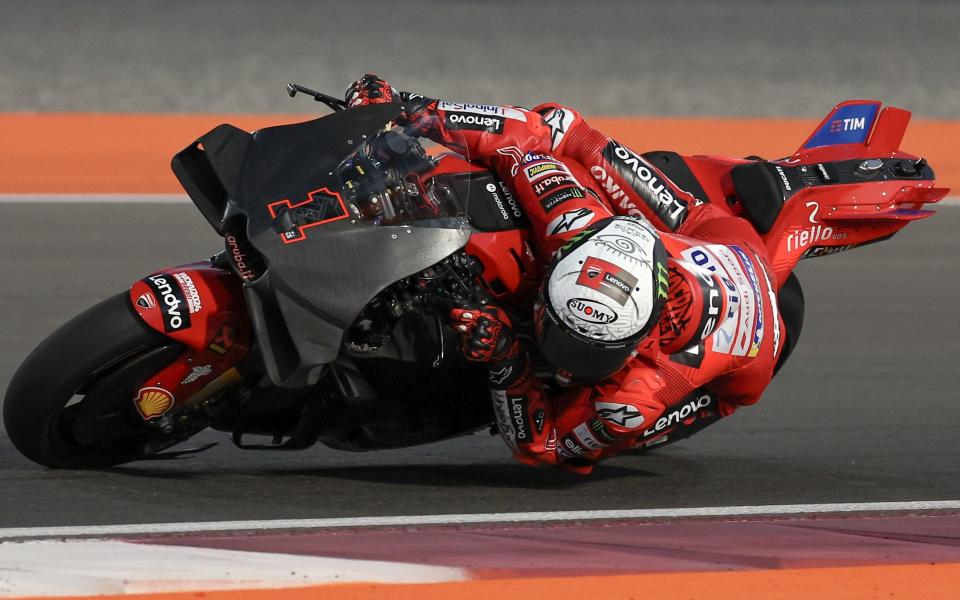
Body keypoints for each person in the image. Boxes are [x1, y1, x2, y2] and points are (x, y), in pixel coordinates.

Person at [346, 75, 785, 473]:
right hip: (701, 238)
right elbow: (527, 138)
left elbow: (545, 446)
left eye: (587, 352)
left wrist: (507, 360)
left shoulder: (640, 389)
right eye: (559, 333)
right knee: (564, 129)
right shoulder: (573, 220)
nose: (567, 362)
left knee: (723, 398)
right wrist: (414, 113)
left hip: (744, 321)